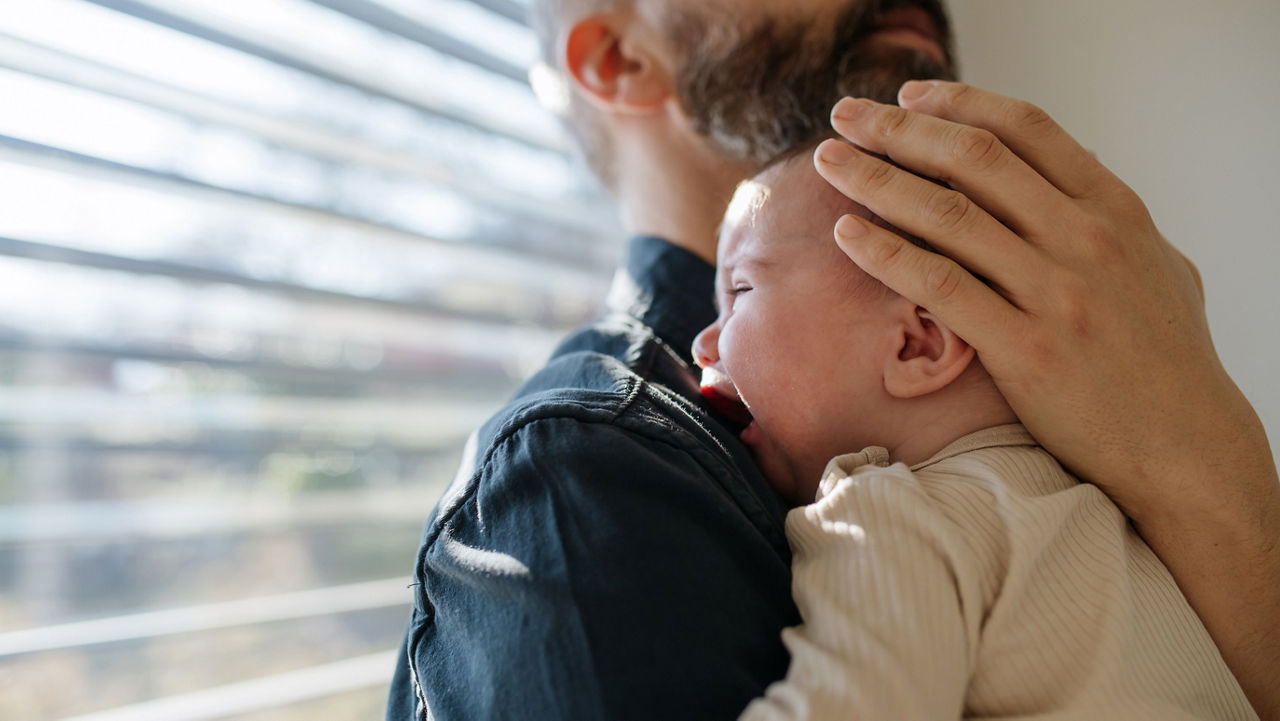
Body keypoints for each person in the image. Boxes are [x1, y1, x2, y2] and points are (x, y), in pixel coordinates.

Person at [388, 0, 1280, 718]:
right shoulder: (579, 468)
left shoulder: (1075, 399)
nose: (714, 345)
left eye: (744, 296)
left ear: (921, 339)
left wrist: (1210, 472)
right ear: (622, 59)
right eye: (733, 295)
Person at [691, 148, 1256, 719]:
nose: (700, 344)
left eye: (739, 292)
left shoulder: (889, 511)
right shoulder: (1120, 513)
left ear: (917, 345)